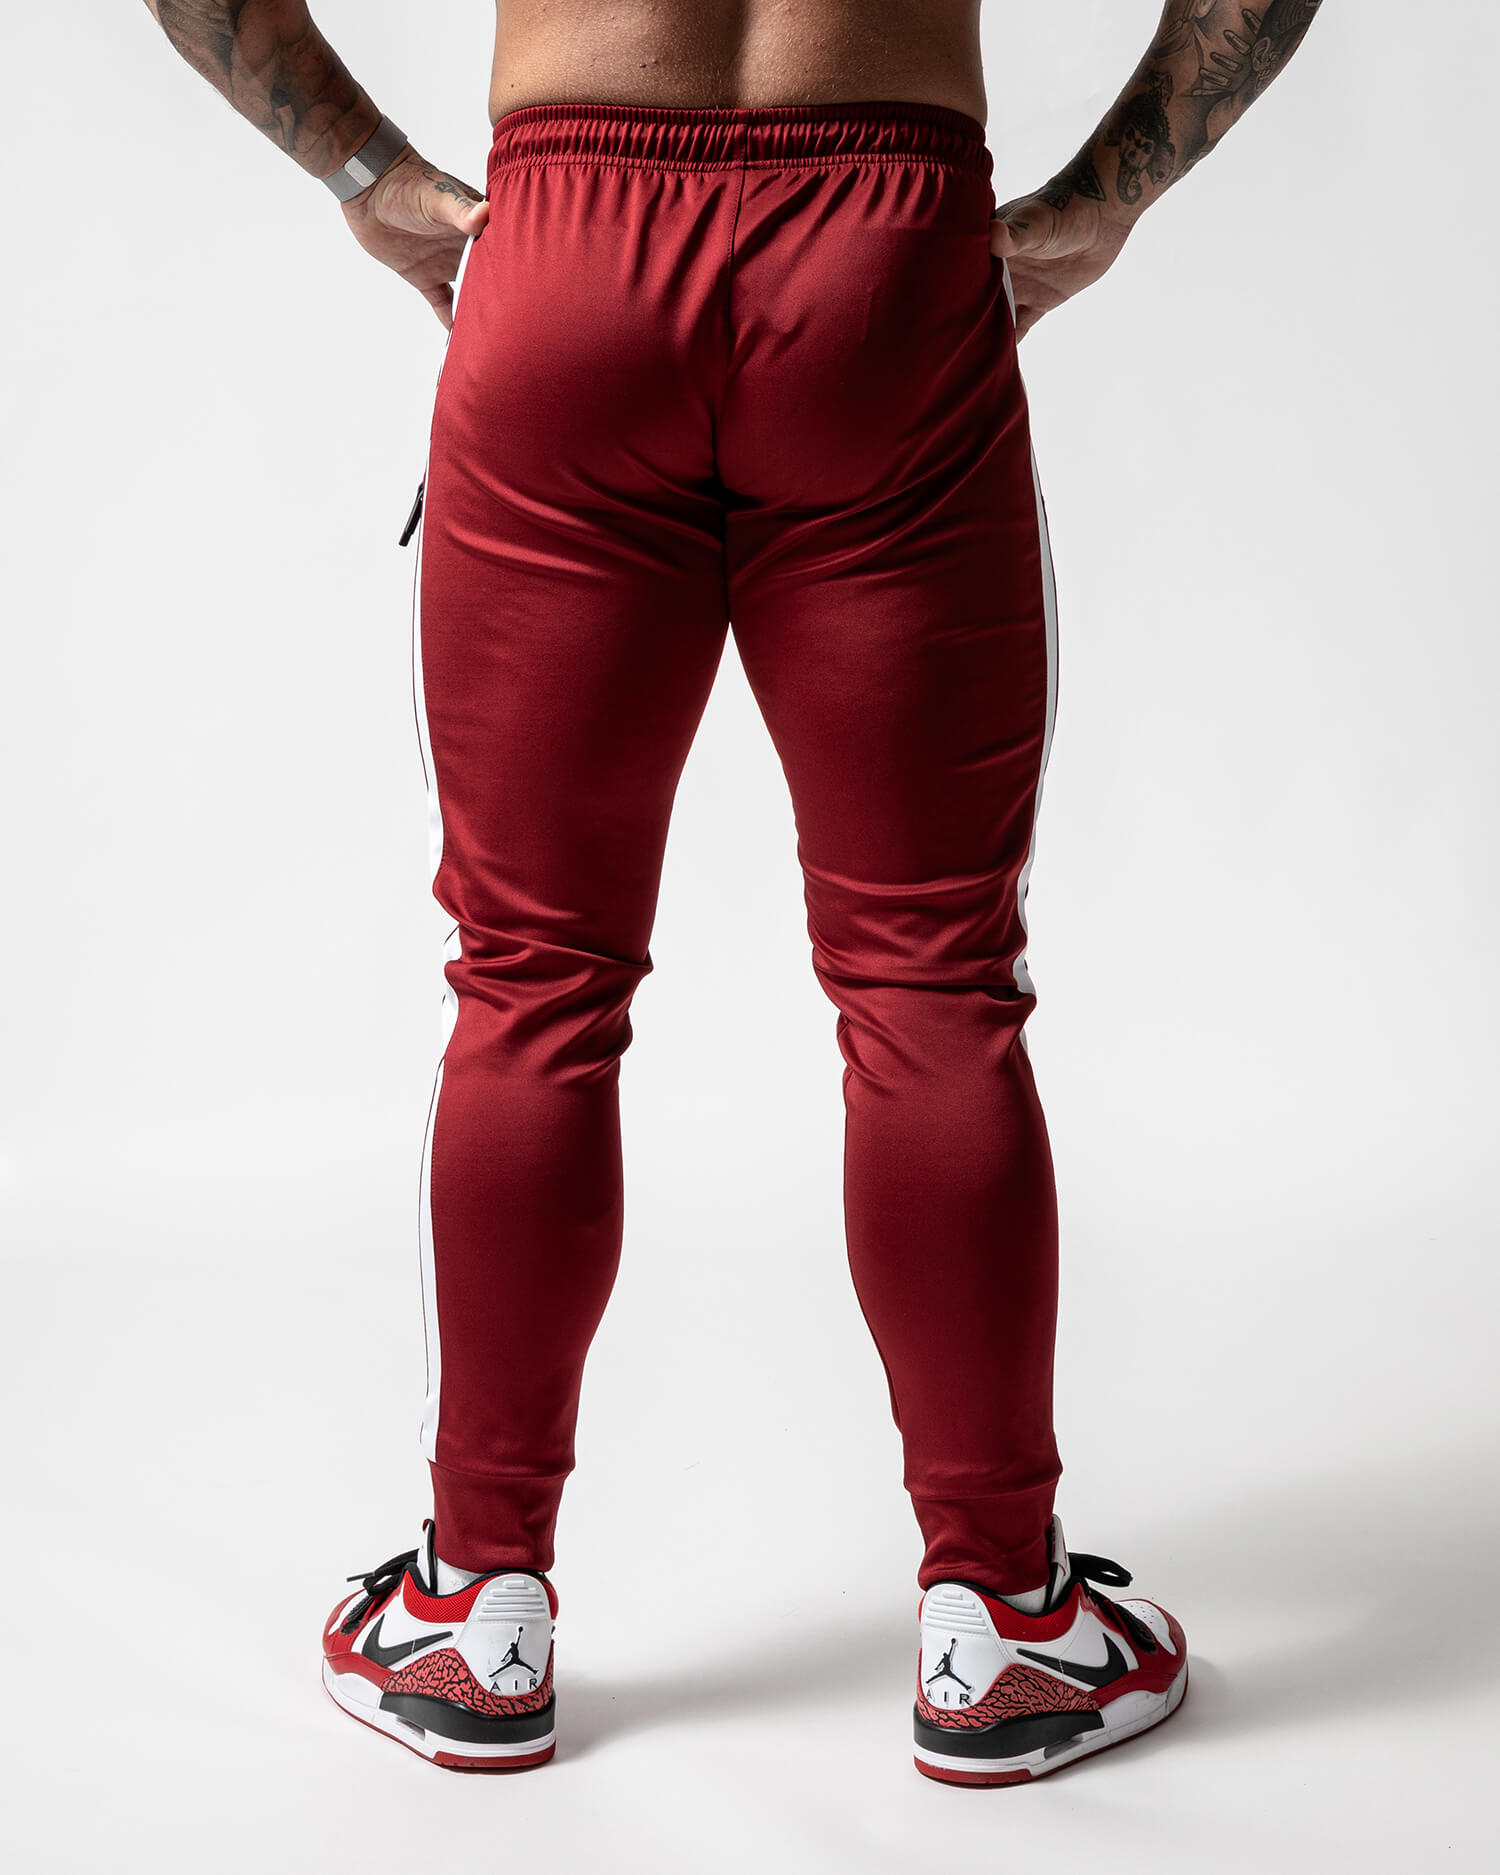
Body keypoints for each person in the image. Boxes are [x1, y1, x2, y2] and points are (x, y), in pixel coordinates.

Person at [146, 0, 1323, 1785]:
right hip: (886, 261)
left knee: (532, 974)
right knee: (929, 978)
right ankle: (1003, 1624)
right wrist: (1112, 191)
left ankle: (475, 1611)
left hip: (564, 261)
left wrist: (367, 172)